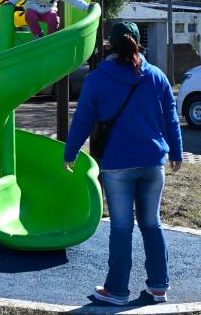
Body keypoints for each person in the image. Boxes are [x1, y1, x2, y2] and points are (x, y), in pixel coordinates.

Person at [64, 22, 183, 306]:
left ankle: (116, 290)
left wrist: (70, 153)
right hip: (154, 163)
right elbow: (171, 119)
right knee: (152, 223)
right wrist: (177, 153)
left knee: (121, 227)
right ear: (139, 43)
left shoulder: (97, 79)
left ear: (110, 46)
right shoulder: (157, 76)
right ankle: (158, 286)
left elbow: (82, 121)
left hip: (117, 165)